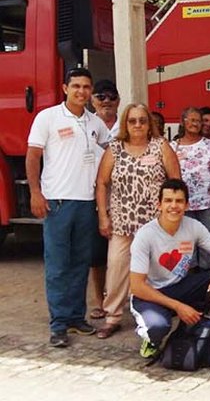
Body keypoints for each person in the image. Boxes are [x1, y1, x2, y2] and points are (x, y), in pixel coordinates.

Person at [26, 67, 111, 347]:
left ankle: (76, 318)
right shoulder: (47, 118)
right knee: (58, 266)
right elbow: (33, 156)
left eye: (86, 87)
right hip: (58, 203)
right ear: (65, 88)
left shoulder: (95, 123)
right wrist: (36, 193)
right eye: (76, 86)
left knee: (79, 264)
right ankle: (59, 324)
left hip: (87, 204)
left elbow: (109, 155)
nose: (81, 92)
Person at [94, 103, 180, 339]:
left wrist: (172, 215)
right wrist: (103, 216)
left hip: (154, 223)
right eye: (132, 121)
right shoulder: (115, 148)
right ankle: (112, 316)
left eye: (142, 120)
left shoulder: (161, 146)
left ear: (149, 122)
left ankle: (155, 311)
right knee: (117, 268)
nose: (138, 125)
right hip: (122, 221)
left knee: (156, 270)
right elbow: (102, 183)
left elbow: (175, 180)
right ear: (125, 124)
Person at [129, 179, 210, 359]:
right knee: (158, 327)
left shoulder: (193, 226)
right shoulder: (145, 235)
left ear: (187, 205)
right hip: (150, 295)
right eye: (168, 201)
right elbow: (137, 286)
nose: (174, 206)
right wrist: (179, 307)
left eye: (179, 201)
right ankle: (151, 340)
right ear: (159, 205)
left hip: (180, 287)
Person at [172, 107, 210, 268]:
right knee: (186, 240)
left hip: (208, 203)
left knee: (207, 239)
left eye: (198, 121)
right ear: (183, 121)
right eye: (192, 120)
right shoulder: (173, 146)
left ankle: (207, 275)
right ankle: (191, 274)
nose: (196, 124)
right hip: (184, 204)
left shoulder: (209, 145)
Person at [87, 79, 121, 321]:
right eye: (101, 96)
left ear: (118, 100)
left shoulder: (128, 125)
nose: (106, 101)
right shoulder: (84, 125)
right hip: (93, 199)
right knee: (97, 257)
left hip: (124, 201)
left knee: (126, 255)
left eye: (111, 96)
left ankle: (129, 299)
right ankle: (101, 302)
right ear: (93, 100)